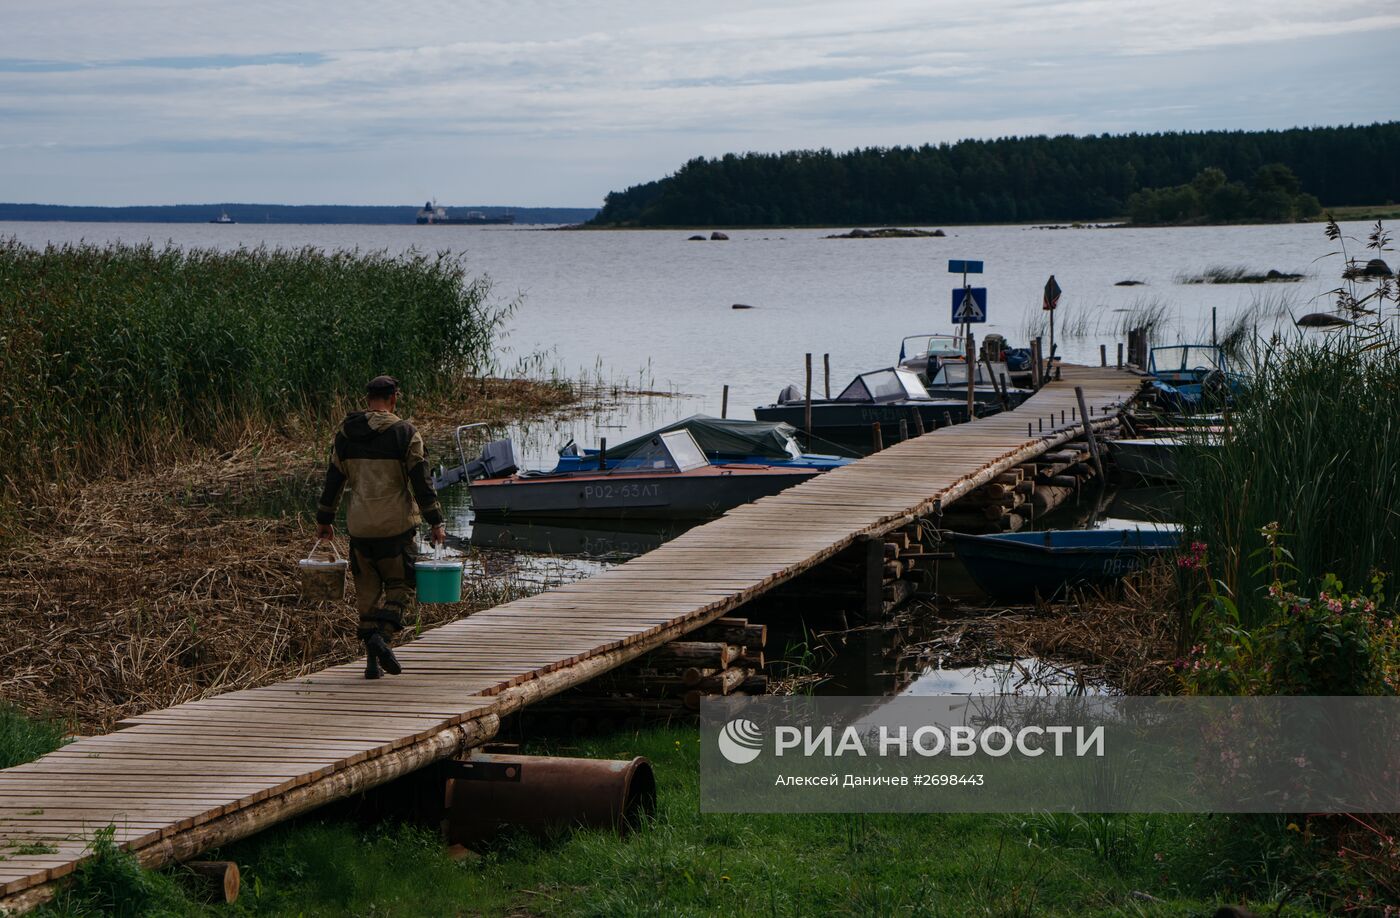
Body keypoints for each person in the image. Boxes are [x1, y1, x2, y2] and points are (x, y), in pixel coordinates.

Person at [315, 375, 446, 679]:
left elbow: (333, 480)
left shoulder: (346, 434)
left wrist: (325, 519)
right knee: (404, 585)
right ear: (394, 398)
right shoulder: (405, 434)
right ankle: (382, 638)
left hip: (360, 528)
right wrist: (436, 521)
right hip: (395, 529)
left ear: (367, 399)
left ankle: (371, 665)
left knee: (367, 595)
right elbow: (421, 483)